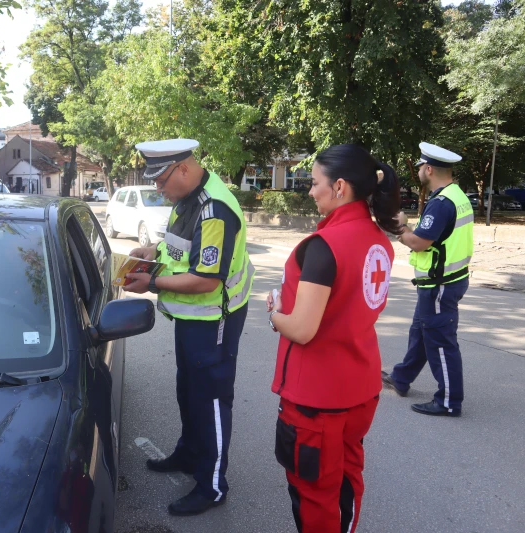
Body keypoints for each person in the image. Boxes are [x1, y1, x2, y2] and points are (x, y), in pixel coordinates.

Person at [265, 144, 401, 532]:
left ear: (339, 186)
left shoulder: (325, 247)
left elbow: (304, 329)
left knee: (313, 495)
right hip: (359, 387)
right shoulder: (378, 239)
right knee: (347, 479)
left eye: (314, 183)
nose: (310, 191)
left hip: (316, 399)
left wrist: (275, 313)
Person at [123, 138, 255, 516]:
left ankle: (213, 485)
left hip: (213, 319)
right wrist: (154, 255)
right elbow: (182, 249)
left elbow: (205, 280)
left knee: (210, 398)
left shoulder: (214, 209)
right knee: (188, 390)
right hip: (192, 318)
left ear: (183, 168)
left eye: (161, 181)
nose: (159, 190)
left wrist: (152, 282)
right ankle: (189, 453)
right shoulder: (187, 198)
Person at [382, 143, 473, 417]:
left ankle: (448, 402)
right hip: (444, 282)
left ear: (429, 169)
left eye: (421, 166)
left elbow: (420, 243)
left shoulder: (442, 203)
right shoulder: (457, 195)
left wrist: (400, 226)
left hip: (440, 285)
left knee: (441, 342)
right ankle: (402, 377)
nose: (419, 170)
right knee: (422, 333)